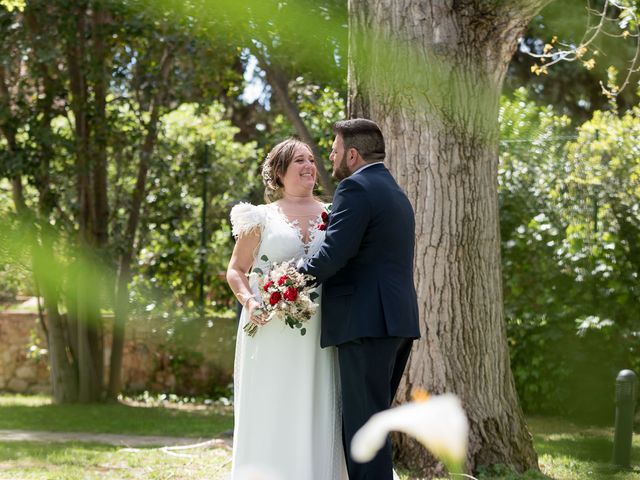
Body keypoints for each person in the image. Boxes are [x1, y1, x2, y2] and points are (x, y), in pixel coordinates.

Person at [301, 118, 421, 480]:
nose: (332, 158)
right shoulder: (394, 191)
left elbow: (335, 253)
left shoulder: (355, 189)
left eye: (335, 151)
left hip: (366, 322)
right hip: (394, 321)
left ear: (352, 154)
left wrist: (291, 282)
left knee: (363, 432)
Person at [226, 138, 349, 480]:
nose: (309, 165)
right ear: (279, 172)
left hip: (323, 325)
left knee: (316, 399)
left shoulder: (334, 213)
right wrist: (249, 302)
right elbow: (235, 270)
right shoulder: (259, 217)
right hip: (269, 325)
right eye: (299, 160)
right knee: (272, 402)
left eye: (311, 159)